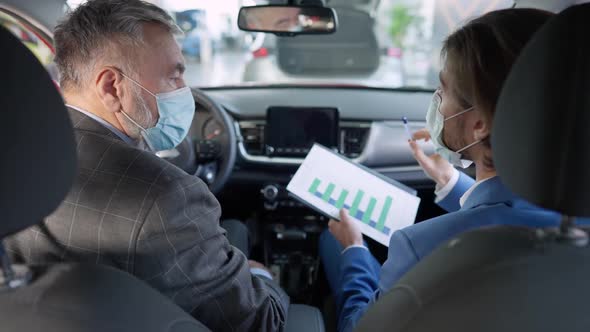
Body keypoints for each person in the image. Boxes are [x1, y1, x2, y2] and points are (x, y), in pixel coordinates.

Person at [5, 1, 289, 331]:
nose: (186, 93)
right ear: (112, 87)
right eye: (174, 77)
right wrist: (261, 274)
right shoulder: (166, 197)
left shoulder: (17, 155)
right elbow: (261, 323)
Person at [317, 8, 582, 332]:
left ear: (480, 124)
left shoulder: (420, 247)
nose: (437, 103)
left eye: (443, 91)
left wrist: (354, 251)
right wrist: (449, 181)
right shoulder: (573, 223)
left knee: (332, 243)